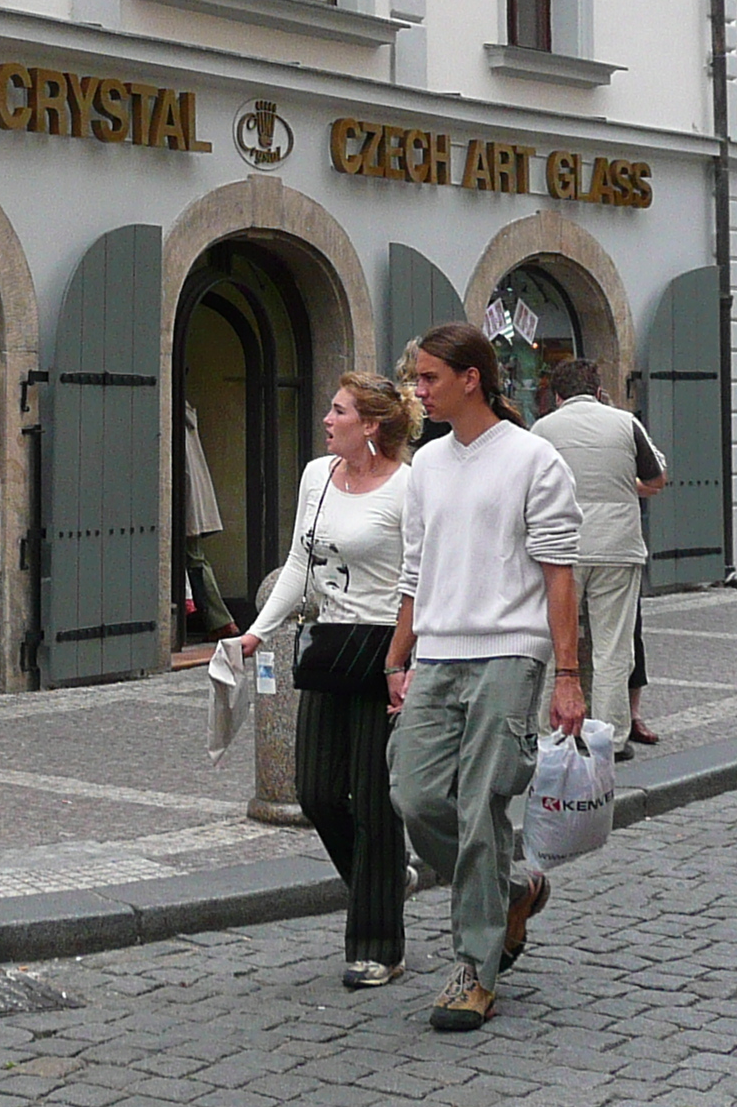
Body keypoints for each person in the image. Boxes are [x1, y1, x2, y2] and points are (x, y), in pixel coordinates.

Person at [384, 322, 581, 1035]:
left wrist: (568, 676)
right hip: (435, 651)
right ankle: (515, 889)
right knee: (412, 790)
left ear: (471, 378)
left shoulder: (534, 458)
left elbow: (561, 574)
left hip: (510, 650)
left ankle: (475, 966)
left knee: (479, 808)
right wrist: (396, 658)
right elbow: (414, 570)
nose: (418, 391)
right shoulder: (428, 465)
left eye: (429, 377)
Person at [237, 371, 418, 989]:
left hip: (382, 648)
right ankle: (388, 881)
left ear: (370, 425)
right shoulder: (317, 476)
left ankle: (378, 944)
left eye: (338, 411)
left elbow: (417, 583)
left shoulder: (407, 488)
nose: (326, 419)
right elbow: (298, 561)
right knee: (315, 792)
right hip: (326, 646)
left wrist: (404, 659)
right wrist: (259, 629)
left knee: (373, 803)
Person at [527, 361, 666, 760]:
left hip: (560, 548)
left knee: (554, 643)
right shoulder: (625, 424)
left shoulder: (542, 430)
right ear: (600, 391)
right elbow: (657, 478)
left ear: (556, 395)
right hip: (616, 546)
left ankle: (546, 733)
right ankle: (611, 738)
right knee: (613, 647)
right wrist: (628, 486)